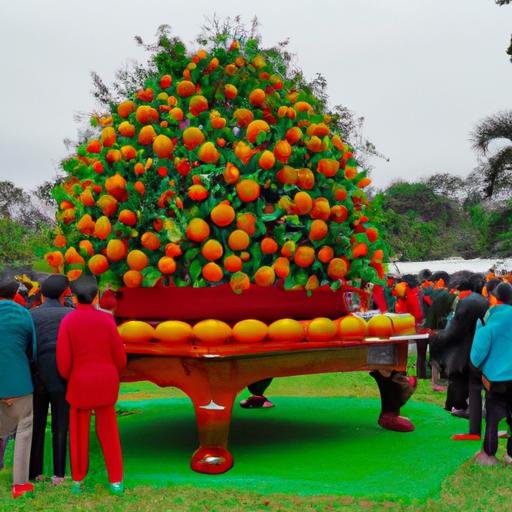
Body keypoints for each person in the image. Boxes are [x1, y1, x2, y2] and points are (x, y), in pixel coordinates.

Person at [56, 275, 127, 495]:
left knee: (78, 433)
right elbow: (120, 357)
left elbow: (63, 361)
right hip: (106, 381)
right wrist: (112, 373)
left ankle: (77, 479)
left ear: (75, 298)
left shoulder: (68, 321)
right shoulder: (107, 320)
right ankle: (116, 479)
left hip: (79, 382)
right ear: (96, 296)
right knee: (109, 431)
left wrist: (73, 376)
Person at [29, 274, 74, 485]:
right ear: (65, 292)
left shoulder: (32, 315)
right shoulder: (70, 314)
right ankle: (59, 474)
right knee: (60, 425)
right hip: (63, 376)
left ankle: (34, 472)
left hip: (37, 375)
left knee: (37, 424)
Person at [429, 277, 488, 433]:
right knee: (471, 379)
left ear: (462, 291)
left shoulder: (466, 302)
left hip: (464, 347)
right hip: (478, 345)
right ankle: (466, 406)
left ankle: (457, 406)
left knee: (457, 376)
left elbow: (455, 328)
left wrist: (438, 338)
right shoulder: (481, 300)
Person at [0, 275, 37, 499]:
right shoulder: (24, 314)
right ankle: (20, 485)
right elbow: (32, 350)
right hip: (20, 382)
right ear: (15, 294)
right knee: (23, 431)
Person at [470, 282, 512, 465]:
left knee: (493, 418)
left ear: (494, 298)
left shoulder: (488, 322)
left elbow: (476, 357)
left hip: (496, 379)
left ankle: (488, 455)